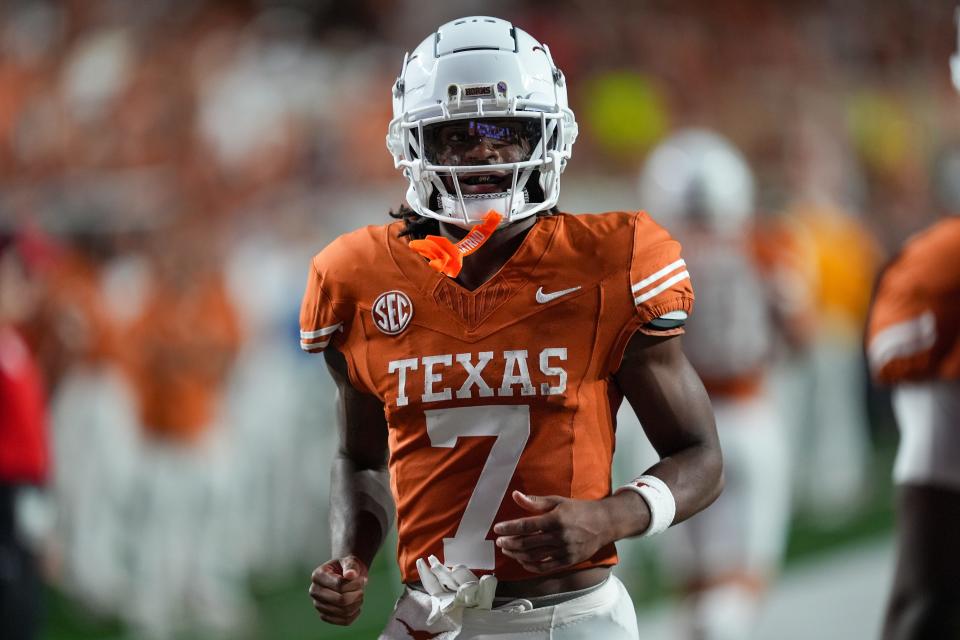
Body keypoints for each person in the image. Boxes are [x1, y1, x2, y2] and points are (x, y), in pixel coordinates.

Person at [302, 17, 723, 639]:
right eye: (456, 135)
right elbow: (359, 459)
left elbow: (701, 455)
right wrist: (351, 555)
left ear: (547, 135)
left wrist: (609, 517)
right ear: (414, 146)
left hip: (569, 620)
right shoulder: (357, 278)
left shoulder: (612, 262)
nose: (483, 151)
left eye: (506, 130)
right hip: (429, 621)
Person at [637, 130, 815, 640]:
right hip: (750, 414)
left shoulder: (657, 259)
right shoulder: (768, 243)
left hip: (675, 425)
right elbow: (801, 334)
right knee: (746, 576)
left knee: (696, 582)